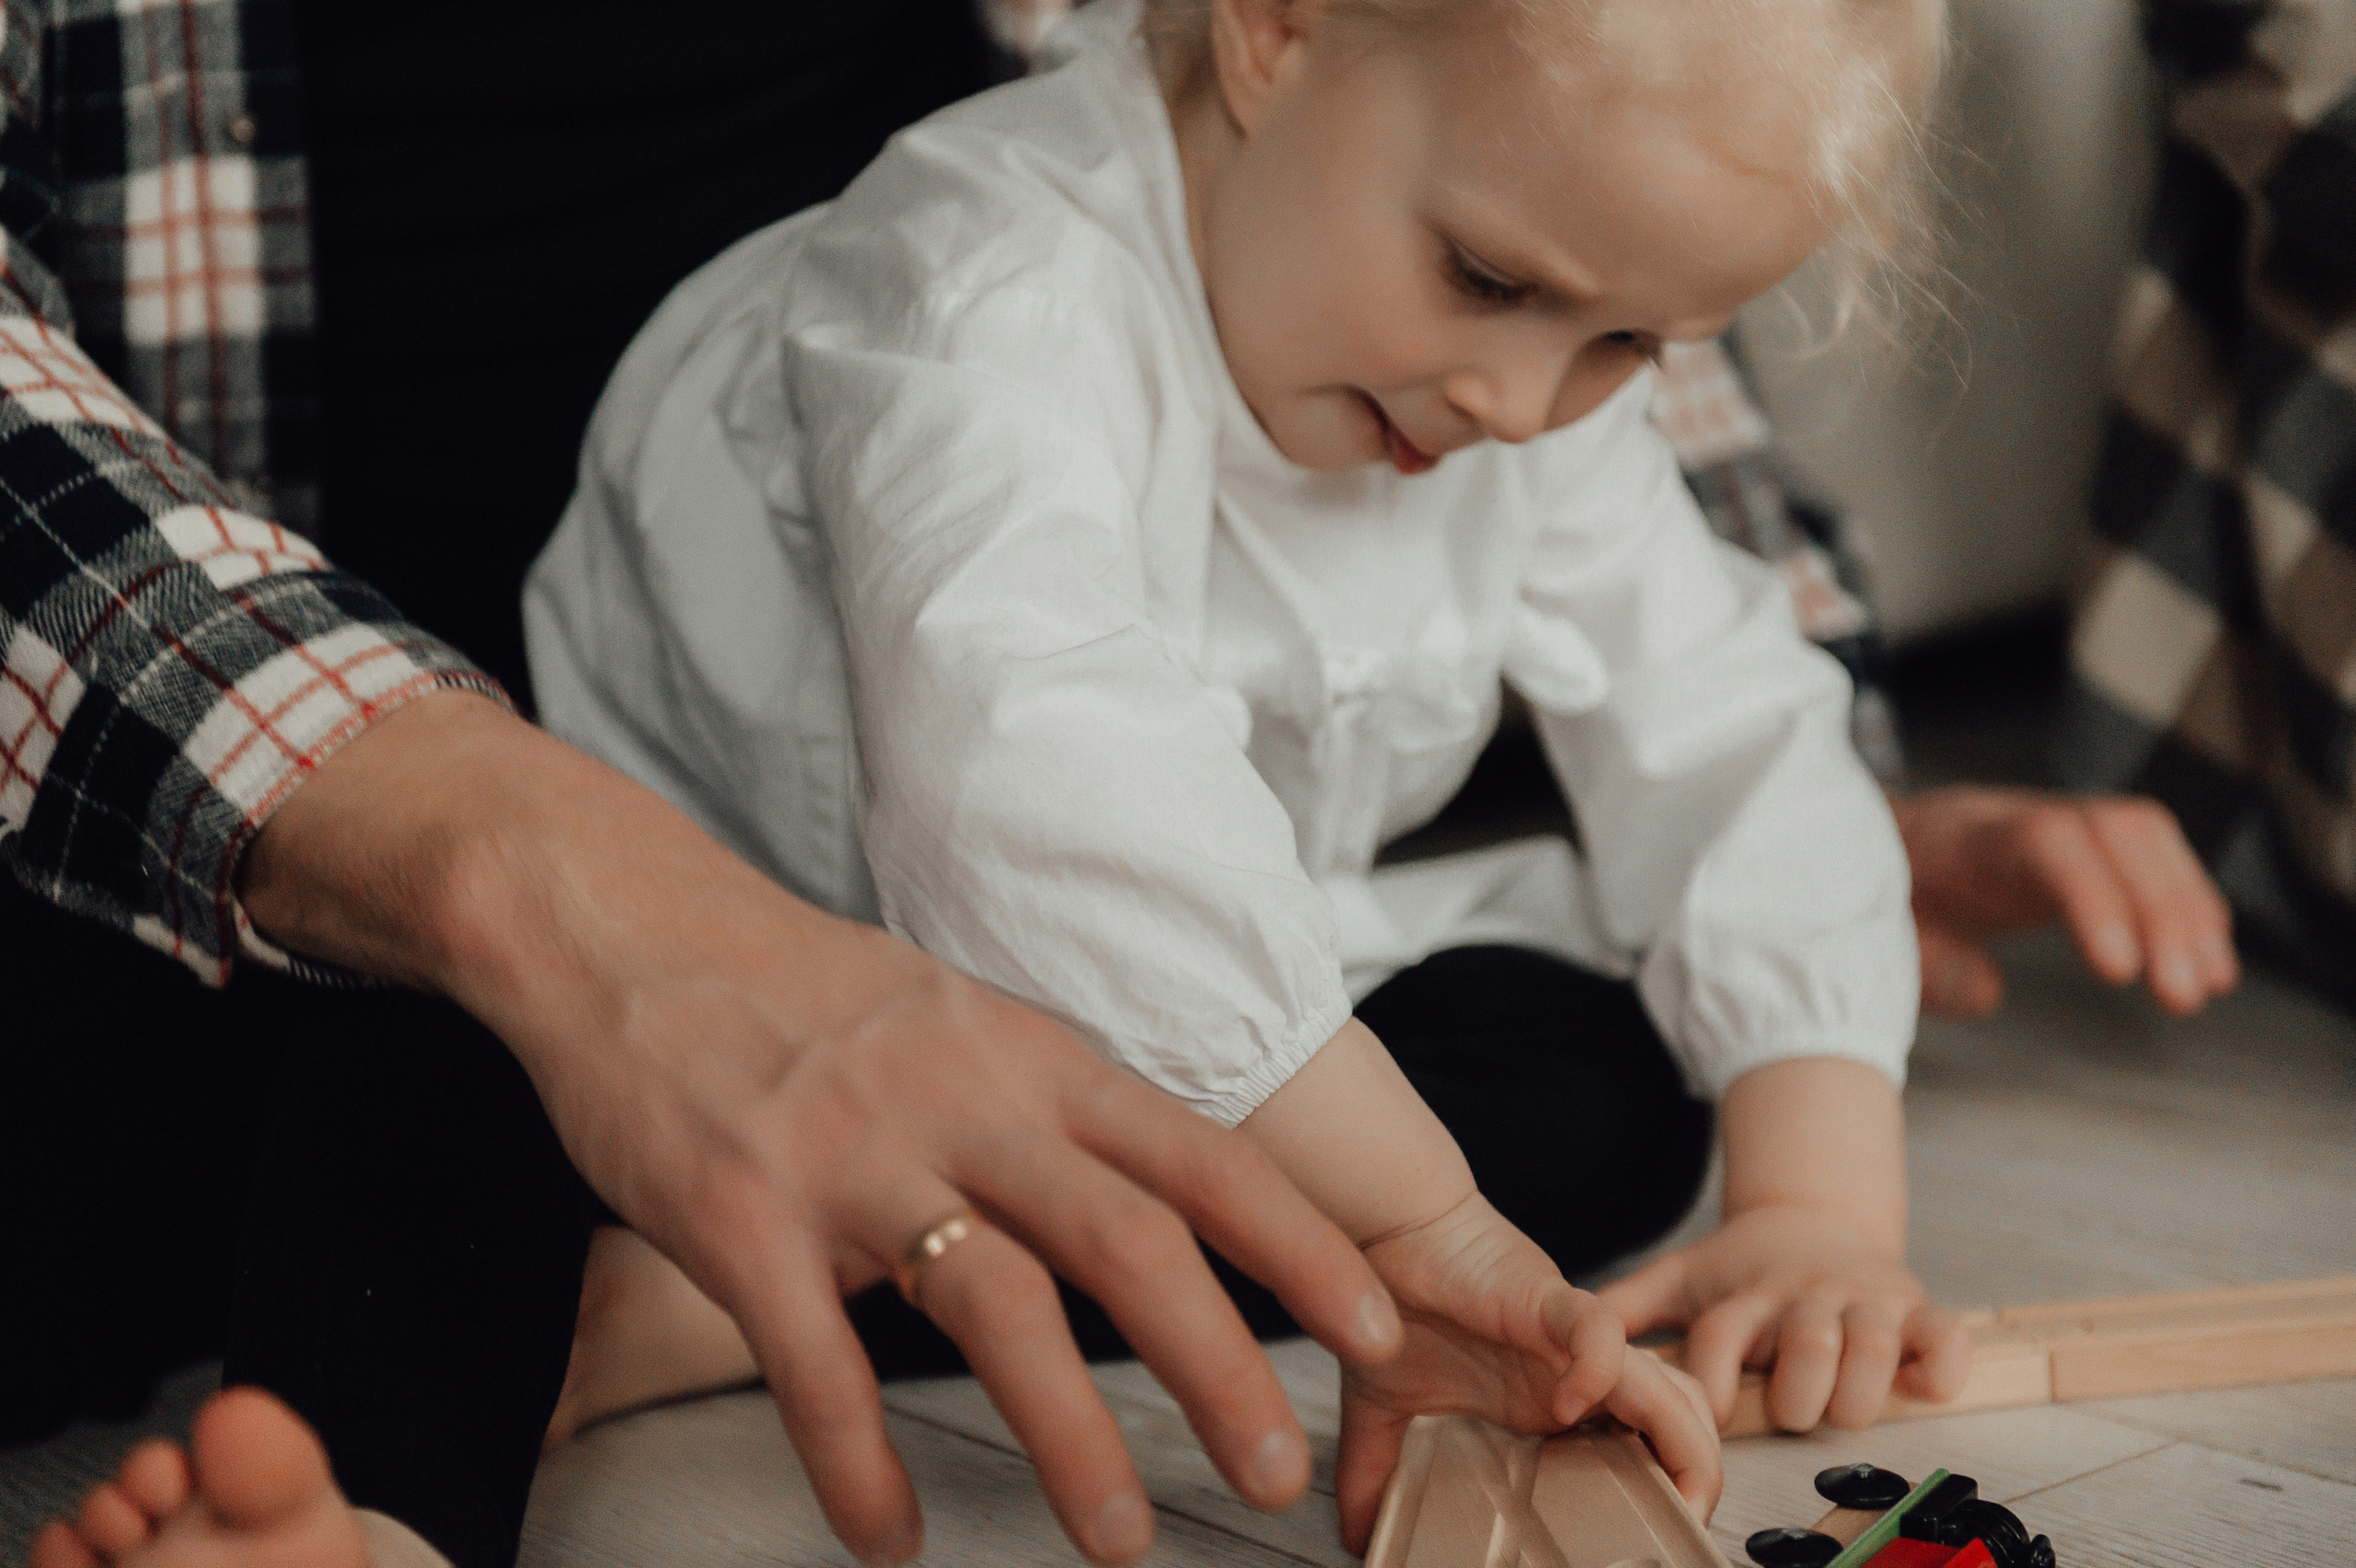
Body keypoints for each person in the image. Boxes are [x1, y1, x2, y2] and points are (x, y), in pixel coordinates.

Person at [3, 4, 1403, 1566]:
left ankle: (679, 1300)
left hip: (879, 899)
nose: (1532, 405)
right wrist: (563, 897)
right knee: (409, 1093)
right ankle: (370, 1526)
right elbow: (1014, 729)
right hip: (241, 806)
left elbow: (1600, 172)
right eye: (1494, 291)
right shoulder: (999, 285)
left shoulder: (1503, 294)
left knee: (1546, 1060)